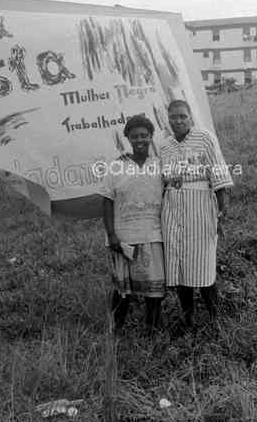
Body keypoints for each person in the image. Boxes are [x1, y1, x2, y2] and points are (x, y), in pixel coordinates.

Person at [159, 100, 233, 329]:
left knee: (203, 262)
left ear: (190, 117)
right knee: (179, 264)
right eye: (173, 117)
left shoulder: (204, 137)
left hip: (200, 206)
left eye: (182, 116)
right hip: (172, 209)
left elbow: (218, 171)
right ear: (167, 119)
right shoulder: (165, 146)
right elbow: (161, 181)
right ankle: (187, 317)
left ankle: (214, 317)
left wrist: (222, 208)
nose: (178, 121)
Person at [99, 114, 166, 333]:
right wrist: (112, 235)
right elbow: (107, 201)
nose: (140, 140)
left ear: (151, 137)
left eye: (144, 136)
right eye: (135, 136)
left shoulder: (160, 165)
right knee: (122, 290)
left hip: (153, 235)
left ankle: (152, 330)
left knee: (153, 288)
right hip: (123, 237)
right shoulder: (116, 167)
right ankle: (115, 330)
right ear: (127, 138)